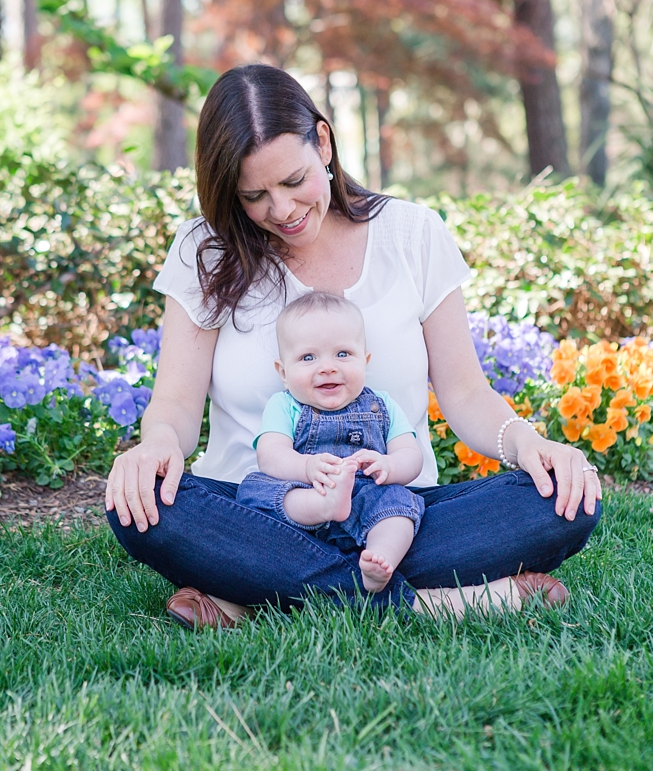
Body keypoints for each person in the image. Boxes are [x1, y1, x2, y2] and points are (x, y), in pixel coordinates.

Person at [105, 63, 601, 629]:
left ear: (323, 141)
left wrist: (530, 444)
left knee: (562, 499)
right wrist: (155, 446)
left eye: (294, 181)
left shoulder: (412, 234)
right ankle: (431, 603)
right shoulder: (207, 250)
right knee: (143, 508)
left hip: (396, 512)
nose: (283, 211)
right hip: (255, 513)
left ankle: (251, 592)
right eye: (254, 196)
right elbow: (174, 404)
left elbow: (464, 391)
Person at [236, 291, 425, 592]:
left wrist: (389, 464)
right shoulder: (285, 406)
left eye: (342, 354)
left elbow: (411, 456)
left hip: (365, 497)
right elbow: (270, 454)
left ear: (365, 361)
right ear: (283, 373)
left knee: (400, 503)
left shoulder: (383, 405)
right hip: (305, 494)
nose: (327, 367)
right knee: (254, 489)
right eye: (308, 357)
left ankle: (379, 559)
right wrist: (305, 466)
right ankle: (324, 506)